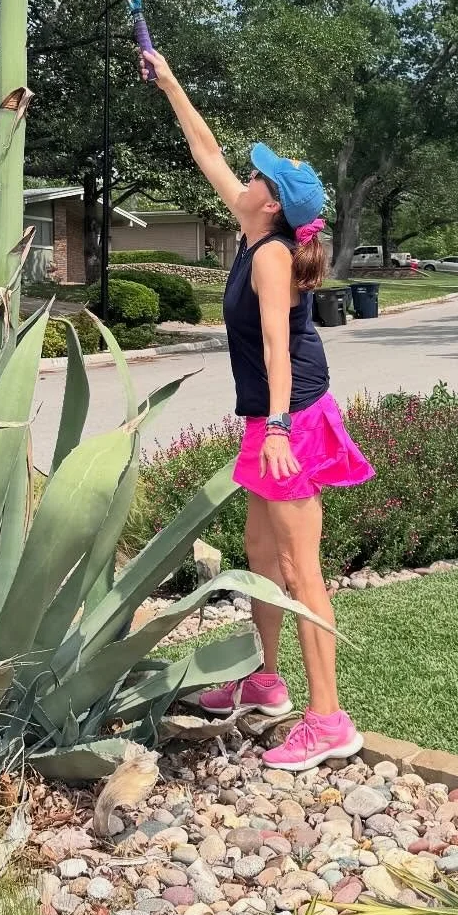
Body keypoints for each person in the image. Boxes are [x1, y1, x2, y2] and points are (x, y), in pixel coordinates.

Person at [143, 47, 373, 771]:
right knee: (262, 557)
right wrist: (170, 78)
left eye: (254, 177)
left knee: (304, 572)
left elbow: (278, 348)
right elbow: (204, 147)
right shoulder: (254, 232)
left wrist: (276, 429)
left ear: (269, 201)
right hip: (267, 420)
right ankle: (267, 681)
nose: (241, 179)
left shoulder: (271, 256)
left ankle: (330, 719)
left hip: (291, 419)